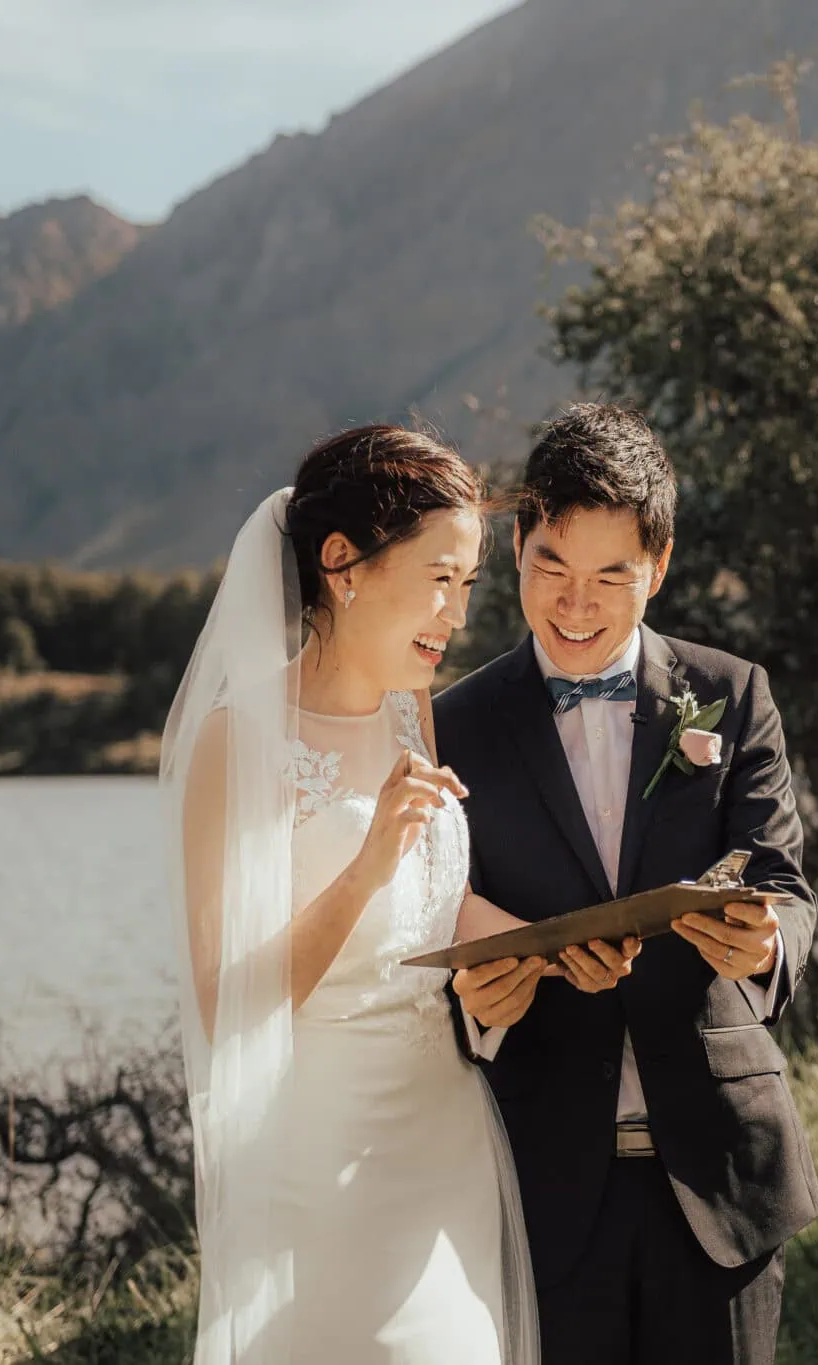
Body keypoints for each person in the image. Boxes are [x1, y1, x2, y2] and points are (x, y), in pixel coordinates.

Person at [161, 424, 631, 1365]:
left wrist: (549, 944)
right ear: (343, 564)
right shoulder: (233, 743)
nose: (456, 614)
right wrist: (367, 858)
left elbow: (435, 901)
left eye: (468, 585)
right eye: (437, 578)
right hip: (319, 1166)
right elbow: (227, 1004)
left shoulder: (410, 711)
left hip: (446, 1141)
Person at [436, 402, 818, 1365]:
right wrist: (479, 1003)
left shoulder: (732, 694)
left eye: (612, 575)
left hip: (723, 1179)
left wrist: (768, 940)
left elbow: (785, 882)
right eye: (551, 567)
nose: (577, 604)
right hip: (547, 1188)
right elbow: (439, 927)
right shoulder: (454, 726)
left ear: (658, 565)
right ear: (517, 545)